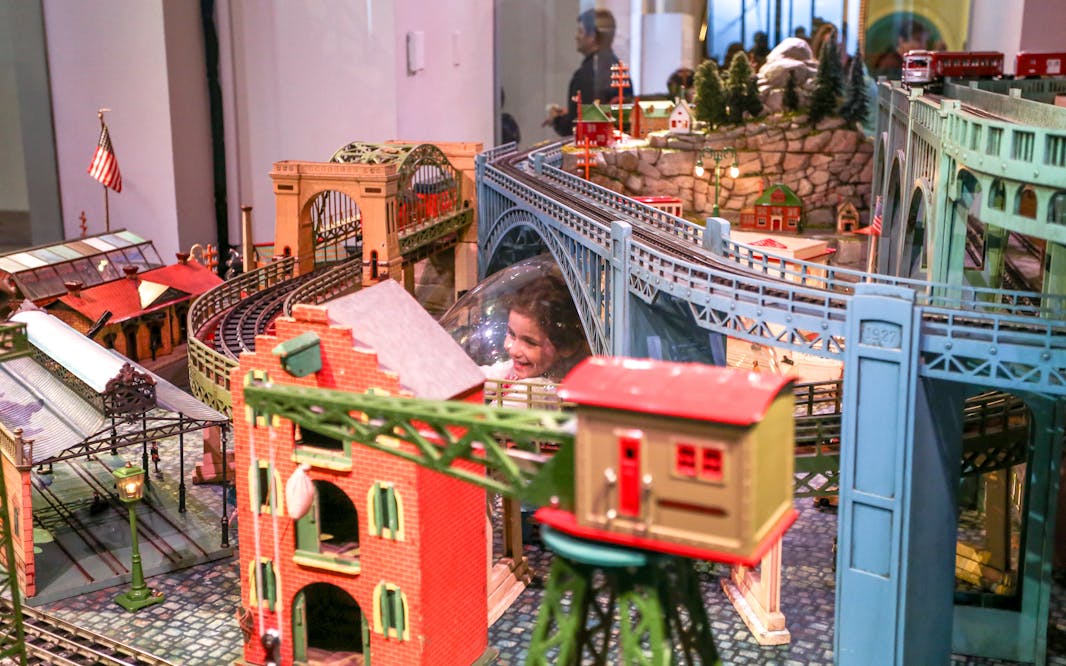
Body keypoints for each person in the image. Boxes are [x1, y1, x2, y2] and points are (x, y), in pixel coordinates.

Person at [482, 274, 589, 384]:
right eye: (512, 334)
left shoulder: (540, 389)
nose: (514, 350)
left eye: (530, 342)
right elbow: (488, 374)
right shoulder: (523, 367)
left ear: (565, 347)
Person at [544, 8, 629, 136]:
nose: (576, 37)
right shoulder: (619, 69)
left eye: (580, 31)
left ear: (593, 36)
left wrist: (556, 119)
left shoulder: (585, 76)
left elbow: (577, 127)